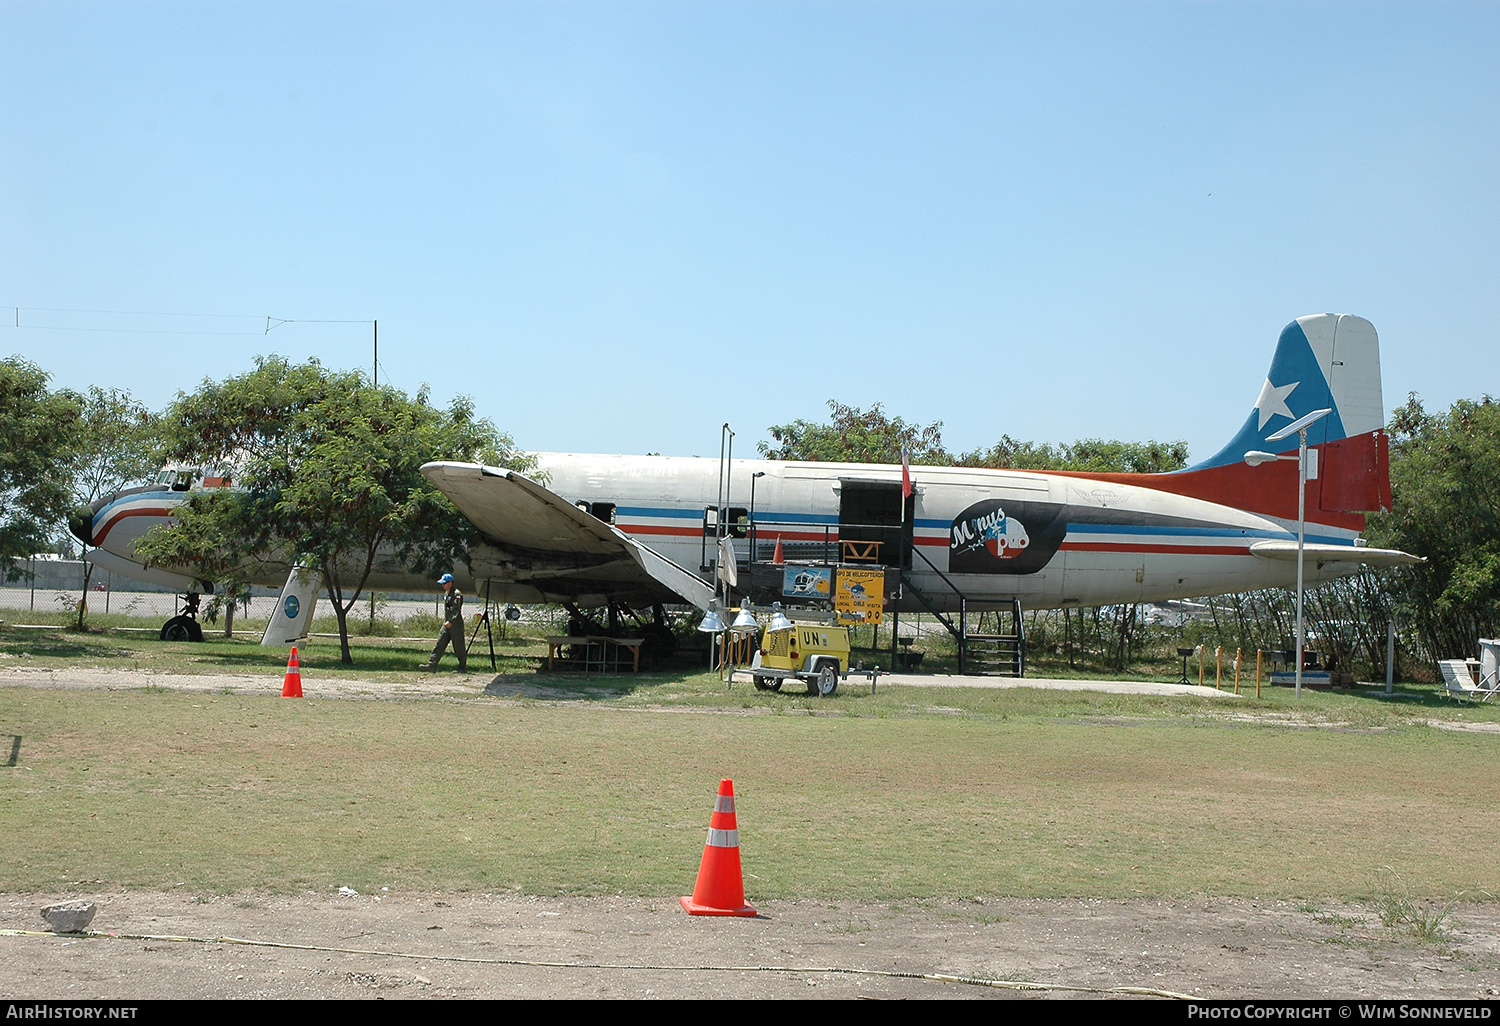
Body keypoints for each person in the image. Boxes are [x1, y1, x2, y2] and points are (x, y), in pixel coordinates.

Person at [423, 573, 467, 672]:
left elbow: (456, 610)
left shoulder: (457, 594)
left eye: (444, 583)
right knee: (440, 643)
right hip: (447, 624)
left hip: (455, 624)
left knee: (459, 646)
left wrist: (451, 621)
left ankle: (462, 667)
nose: (443, 585)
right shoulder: (447, 593)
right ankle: (432, 665)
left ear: (450, 582)